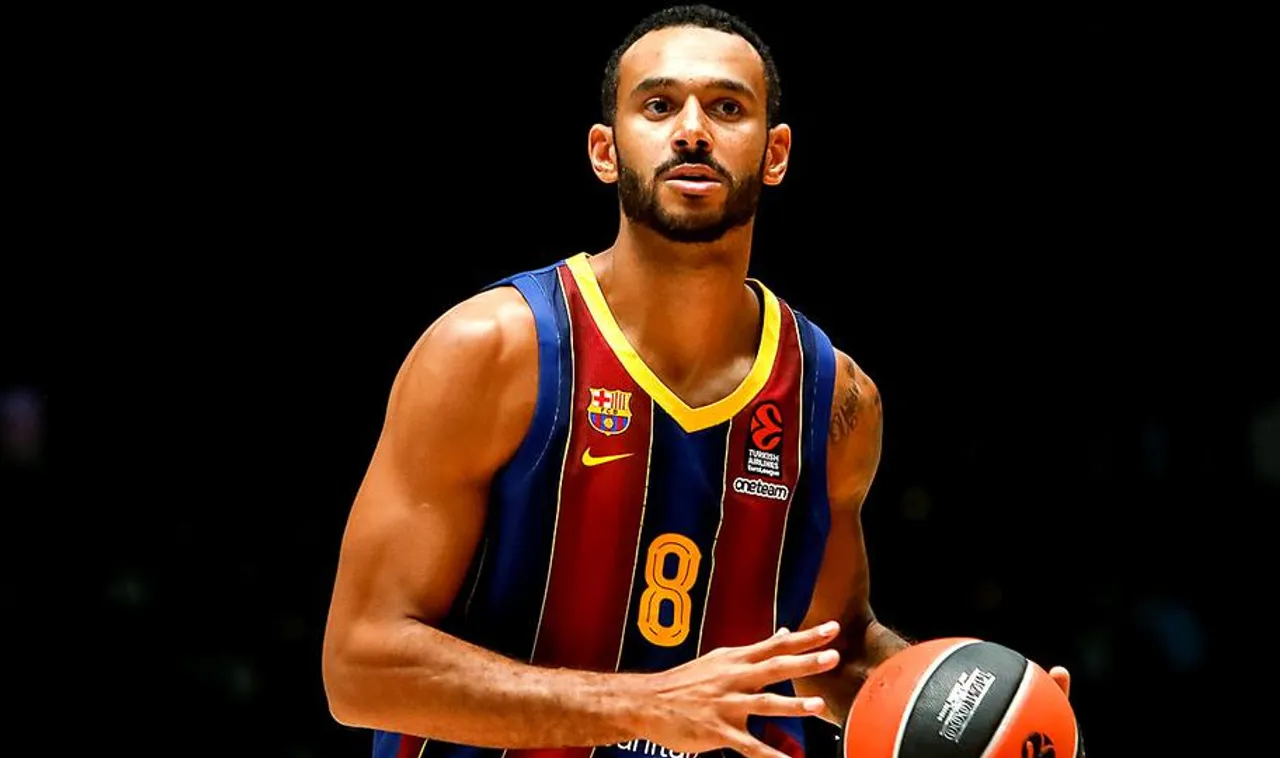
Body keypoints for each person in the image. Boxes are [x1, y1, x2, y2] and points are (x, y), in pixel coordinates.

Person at [321, 6, 1073, 758]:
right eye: (657, 105)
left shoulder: (836, 398)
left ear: (775, 154)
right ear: (604, 151)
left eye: (726, 108)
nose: (691, 131)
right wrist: (641, 706)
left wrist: (980, 707)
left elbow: (834, 654)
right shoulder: (490, 351)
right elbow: (360, 668)